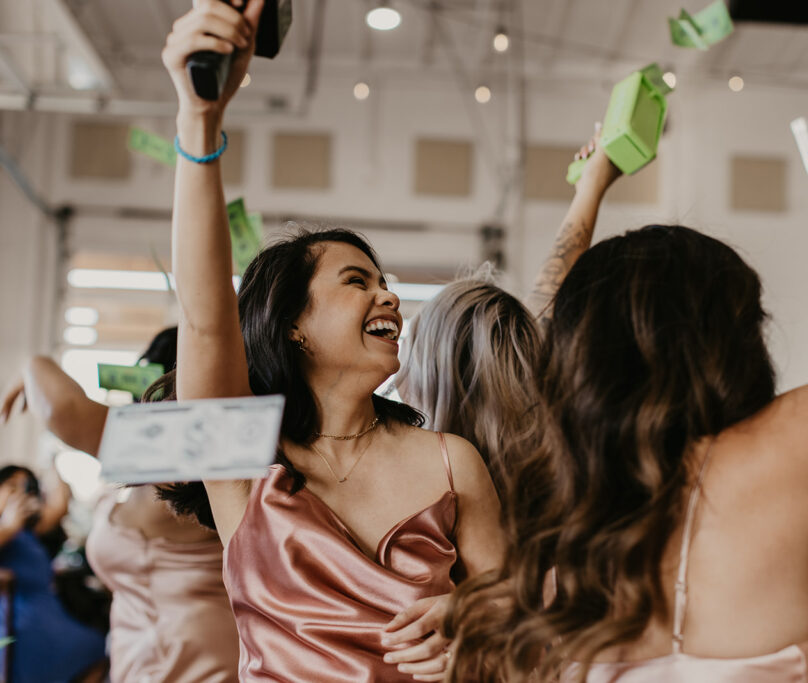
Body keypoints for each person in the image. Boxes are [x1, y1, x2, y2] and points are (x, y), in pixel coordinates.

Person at [446, 174, 808, 679]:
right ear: (730, 341)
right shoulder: (769, 464)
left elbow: (552, 313)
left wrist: (591, 187)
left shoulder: (564, 520)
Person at [159, 1, 504, 680]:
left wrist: (468, 621)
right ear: (292, 323)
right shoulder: (243, 465)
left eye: (386, 282)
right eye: (357, 281)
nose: (388, 296)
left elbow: (514, 609)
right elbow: (204, 318)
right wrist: (200, 121)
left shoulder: (451, 462)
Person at [0, 328, 241, 683]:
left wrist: (33, 365)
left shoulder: (179, 460)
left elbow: (62, 408)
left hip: (180, 661)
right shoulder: (204, 462)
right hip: (168, 650)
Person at [394, 131, 622, 499]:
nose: (398, 362)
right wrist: (590, 187)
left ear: (433, 374)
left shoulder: (419, 487)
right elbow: (547, 296)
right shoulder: (553, 461)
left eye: (410, 345)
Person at [0, 466, 106, 683]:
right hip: (21, 623)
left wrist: (52, 460)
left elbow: (60, 502)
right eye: (11, 486)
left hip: (49, 614)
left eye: (27, 488)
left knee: (96, 648)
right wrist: (8, 525)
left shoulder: (29, 530)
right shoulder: (9, 528)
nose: (20, 493)